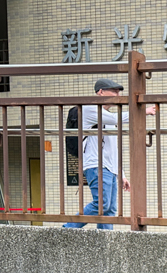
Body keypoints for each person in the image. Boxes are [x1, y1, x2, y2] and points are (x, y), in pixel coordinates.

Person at [64, 78, 156, 230]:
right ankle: (68, 228)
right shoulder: (89, 109)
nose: (117, 94)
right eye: (113, 91)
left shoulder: (106, 116)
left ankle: (105, 240)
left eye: (118, 92)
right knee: (103, 204)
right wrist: (142, 111)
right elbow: (115, 117)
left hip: (110, 168)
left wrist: (122, 174)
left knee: (109, 209)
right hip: (96, 165)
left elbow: (113, 150)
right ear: (100, 92)